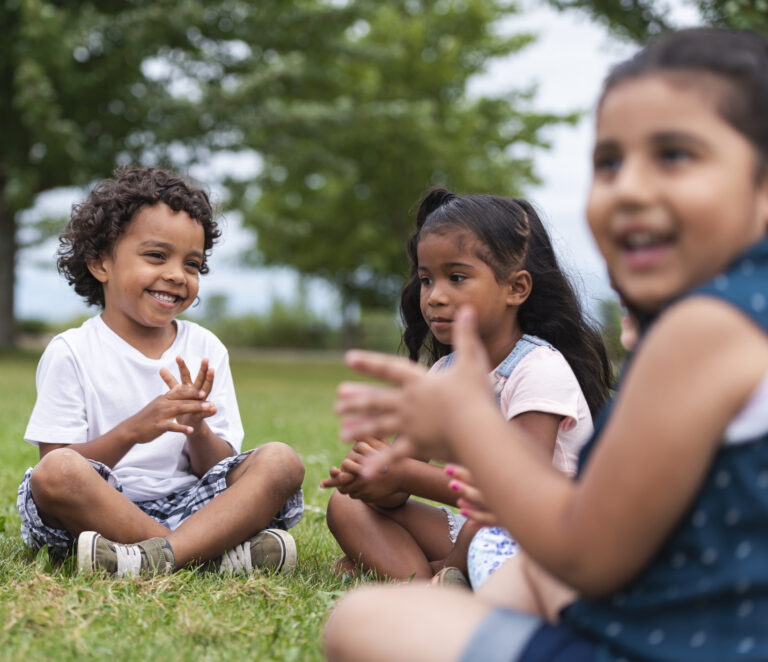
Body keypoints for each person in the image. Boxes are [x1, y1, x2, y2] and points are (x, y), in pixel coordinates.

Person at [325, 27, 768, 662]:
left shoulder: (705, 329)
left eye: (674, 155)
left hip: (669, 639)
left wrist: (465, 420)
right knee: (518, 573)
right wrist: (387, 473)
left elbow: (584, 548)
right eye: (609, 161)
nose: (631, 188)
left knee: (363, 623)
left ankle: (442, 589)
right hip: (688, 602)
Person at [16, 167, 305, 576]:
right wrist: (135, 430)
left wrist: (198, 430)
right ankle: (207, 555)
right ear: (101, 263)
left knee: (282, 461)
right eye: (156, 256)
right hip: (103, 510)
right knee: (56, 474)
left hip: (192, 505)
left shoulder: (205, 348)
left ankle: (152, 558)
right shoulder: (73, 351)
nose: (176, 275)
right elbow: (57, 463)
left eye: (192, 264)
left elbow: (217, 467)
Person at [321, 189, 611, 585]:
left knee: (483, 527)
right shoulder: (445, 372)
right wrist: (374, 470)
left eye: (457, 277)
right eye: (426, 279)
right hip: (476, 524)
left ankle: (437, 577)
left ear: (516, 289)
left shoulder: (538, 370)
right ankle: (432, 585)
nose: (435, 297)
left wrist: (401, 472)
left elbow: (519, 494)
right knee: (346, 507)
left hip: (543, 536)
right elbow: (398, 489)